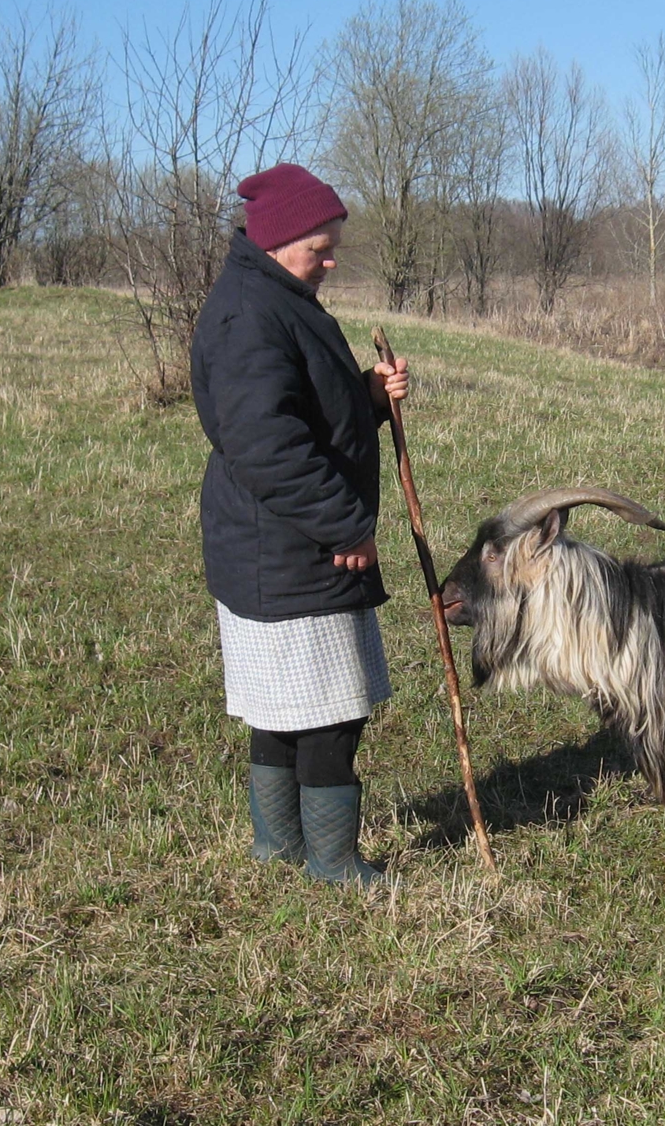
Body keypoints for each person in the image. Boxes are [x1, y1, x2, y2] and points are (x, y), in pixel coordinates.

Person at [190, 163, 409, 886]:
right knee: (329, 714)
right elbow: (267, 446)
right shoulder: (251, 313)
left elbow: (306, 414)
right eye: (320, 245)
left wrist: (369, 397)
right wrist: (345, 525)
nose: (331, 258)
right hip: (294, 549)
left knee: (281, 705)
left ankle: (278, 845)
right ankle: (333, 861)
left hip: (274, 545)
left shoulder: (271, 296)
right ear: (279, 239)